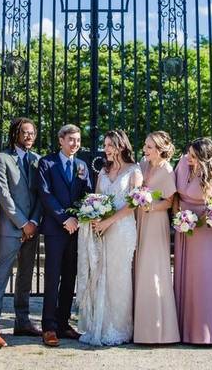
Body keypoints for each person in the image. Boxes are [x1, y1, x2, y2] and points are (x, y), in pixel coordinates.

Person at [77, 130, 142, 346]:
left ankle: (120, 328)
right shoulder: (103, 172)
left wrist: (109, 221)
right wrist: (95, 217)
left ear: (121, 146)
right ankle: (101, 325)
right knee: (101, 274)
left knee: (119, 277)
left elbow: (134, 204)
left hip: (122, 230)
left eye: (109, 145)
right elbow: (96, 198)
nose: (105, 149)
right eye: (105, 145)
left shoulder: (134, 171)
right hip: (102, 230)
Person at [0, 118, 44, 348]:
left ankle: (22, 321)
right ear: (15, 134)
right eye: (25, 133)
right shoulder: (1, 158)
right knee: (2, 275)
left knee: (26, 276)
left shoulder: (37, 160)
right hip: (11, 228)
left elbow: (40, 195)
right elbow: (3, 195)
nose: (29, 136)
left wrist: (34, 221)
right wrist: (22, 223)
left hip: (32, 227)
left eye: (32, 133)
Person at [174, 137, 212, 345]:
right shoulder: (182, 163)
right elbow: (175, 196)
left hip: (206, 231)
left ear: (204, 157)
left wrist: (197, 222)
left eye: (193, 156)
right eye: (188, 153)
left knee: (207, 277)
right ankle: (185, 331)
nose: (188, 158)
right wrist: (180, 219)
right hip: (184, 227)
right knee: (186, 276)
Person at [37, 124, 93, 347]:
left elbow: (86, 193)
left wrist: (79, 217)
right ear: (61, 140)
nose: (75, 144)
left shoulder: (82, 165)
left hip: (76, 229)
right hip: (55, 229)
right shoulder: (46, 163)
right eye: (71, 139)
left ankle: (63, 323)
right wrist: (64, 218)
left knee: (70, 277)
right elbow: (45, 194)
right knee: (52, 278)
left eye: (78, 140)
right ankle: (49, 327)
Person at [133, 131, 180, 345]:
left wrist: (151, 207)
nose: (145, 149)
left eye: (150, 146)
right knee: (140, 267)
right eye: (145, 145)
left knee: (153, 269)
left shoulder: (167, 169)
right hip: (140, 219)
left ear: (160, 149)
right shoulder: (143, 165)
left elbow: (170, 202)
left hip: (155, 220)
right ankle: (140, 327)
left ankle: (158, 329)